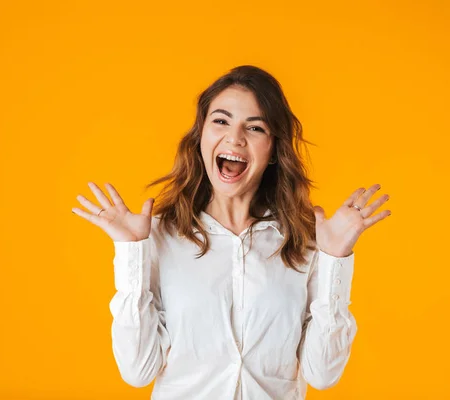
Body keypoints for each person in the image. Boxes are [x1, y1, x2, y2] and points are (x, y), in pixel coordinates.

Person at [72, 65, 391, 399]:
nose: (235, 138)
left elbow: (323, 374)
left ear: (272, 151)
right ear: (200, 138)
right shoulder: (158, 236)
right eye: (221, 121)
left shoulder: (305, 241)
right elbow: (138, 371)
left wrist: (334, 260)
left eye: (254, 128)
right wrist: (131, 252)